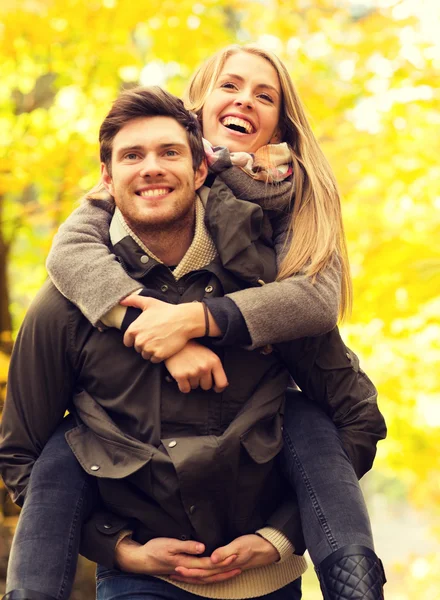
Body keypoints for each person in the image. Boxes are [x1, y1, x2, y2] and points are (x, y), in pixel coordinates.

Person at [0, 52, 385, 600]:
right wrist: (118, 547)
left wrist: (280, 536)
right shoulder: (76, 286)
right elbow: (21, 455)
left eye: (265, 95)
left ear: (199, 164)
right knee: (65, 446)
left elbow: (346, 388)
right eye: (133, 156)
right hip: (142, 579)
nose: (151, 167)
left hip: (265, 576)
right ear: (109, 178)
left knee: (305, 421)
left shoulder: (277, 259)